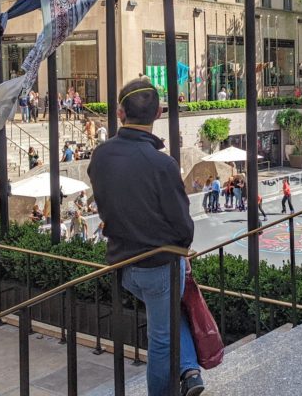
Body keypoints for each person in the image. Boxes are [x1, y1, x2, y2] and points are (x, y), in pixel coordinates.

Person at [87, 79, 203, 396]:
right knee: (162, 339)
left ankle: (191, 371)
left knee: (167, 315)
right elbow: (184, 229)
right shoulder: (162, 165)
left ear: (120, 113)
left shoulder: (100, 156)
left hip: (123, 265)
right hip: (159, 268)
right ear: (159, 113)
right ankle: (182, 376)